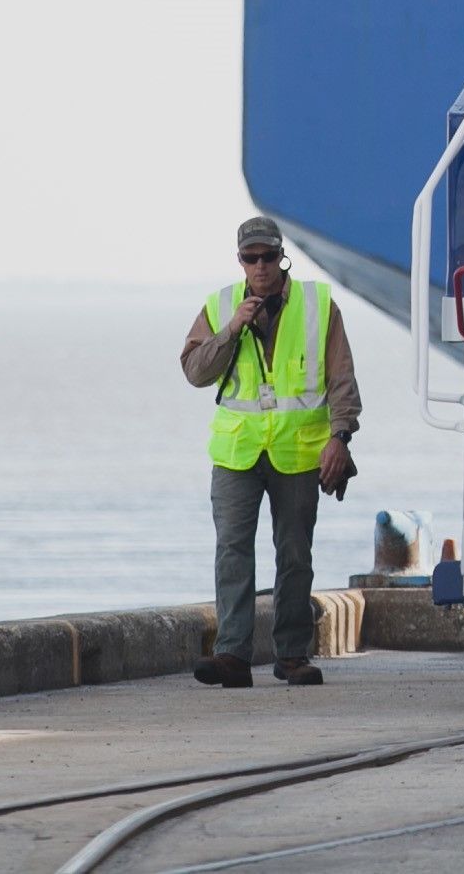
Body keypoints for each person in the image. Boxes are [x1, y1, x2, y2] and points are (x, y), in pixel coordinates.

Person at [182, 215, 359, 688]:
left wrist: (340, 437)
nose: (259, 266)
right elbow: (196, 372)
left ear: (282, 257)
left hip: (298, 451)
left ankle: (292, 655)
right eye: (249, 258)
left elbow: (341, 378)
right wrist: (232, 330)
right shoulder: (220, 307)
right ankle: (233, 656)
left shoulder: (318, 305)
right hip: (237, 451)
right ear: (240, 261)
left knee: (295, 554)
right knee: (232, 552)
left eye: (266, 257)